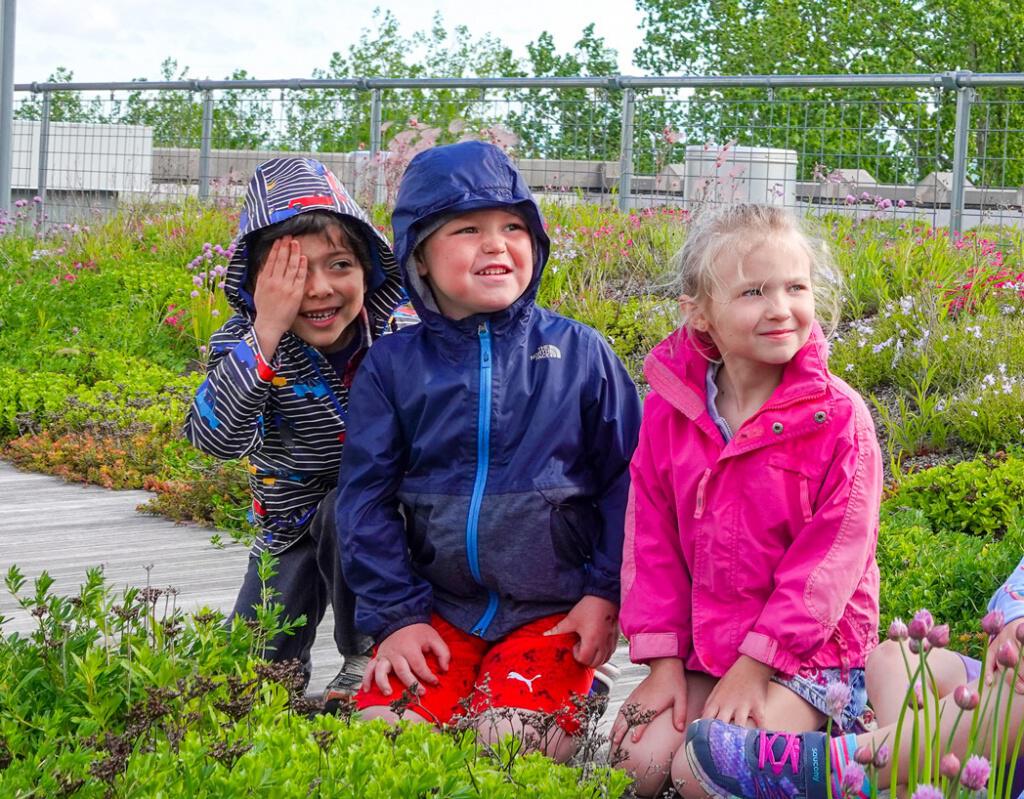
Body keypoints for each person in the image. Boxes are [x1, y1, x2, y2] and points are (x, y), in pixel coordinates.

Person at [335, 140, 642, 761]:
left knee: (506, 744)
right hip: (438, 610)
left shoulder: (581, 355)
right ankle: (466, 676)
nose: (497, 243)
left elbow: (629, 484)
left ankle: (579, 684)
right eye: (468, 229)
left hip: (555, 612)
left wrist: (604, 594)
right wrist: (396, 619)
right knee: (381, 742)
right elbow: (364, 500)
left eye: (513, 227)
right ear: (419, 254)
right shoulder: (392, 367)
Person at [611, 203, 883, 797]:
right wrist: (661, 666)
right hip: (709, 651)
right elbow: (650, 545)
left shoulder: (839, 420)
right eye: (754, 291)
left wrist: (756, 669)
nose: (781, 308)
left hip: (808, 658)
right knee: (639, 760)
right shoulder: (670, 412)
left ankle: (858, 761)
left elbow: (825, 575)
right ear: (699, 314)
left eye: (795, 287)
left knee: (701, 770)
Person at [184, 157, 404, 705]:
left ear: (369, 270)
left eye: (339, 265)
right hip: (286, 516)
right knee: (246, 677)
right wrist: (266, 332)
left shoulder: (401, 334)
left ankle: (369, 651)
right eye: (293, 273)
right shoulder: (246, 340)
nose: (320, 289)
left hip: (387, 516)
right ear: (255, 283)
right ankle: (277, 678)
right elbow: (215, 439)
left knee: (346, 508)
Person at [685, 555, 1024, 799]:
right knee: (896, 654)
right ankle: (905, 785)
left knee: (1014, 692)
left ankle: (823, 767)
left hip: (1011, 732)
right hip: (995, 725)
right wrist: (1014, 620)